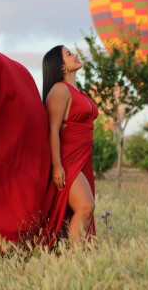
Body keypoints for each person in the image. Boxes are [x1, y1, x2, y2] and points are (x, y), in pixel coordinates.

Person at [41, 45, 98, 247]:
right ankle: (76, 261)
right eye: (68, 54)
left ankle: (75, 258)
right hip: (67, 158)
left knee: (79, 210)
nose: (75, 55)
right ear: (61, 66)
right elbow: (53, 130)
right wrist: (57, 165)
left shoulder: (77, 91)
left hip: (83, 158)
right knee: (85, 206)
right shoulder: (59, 89)